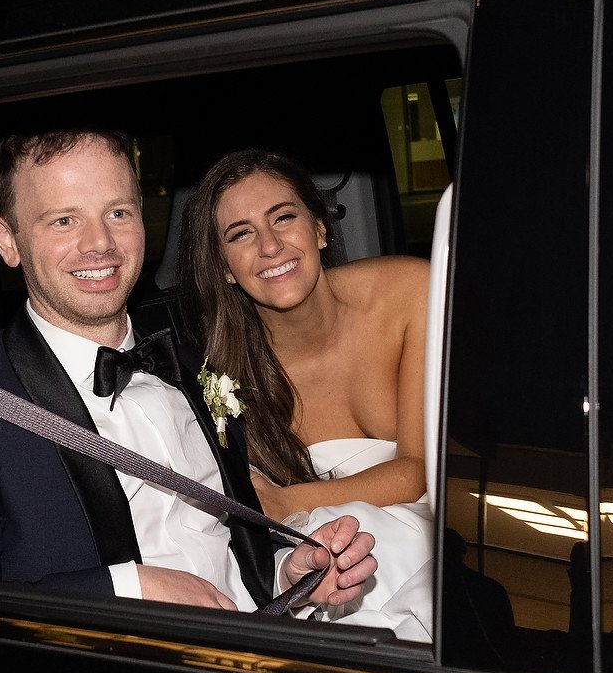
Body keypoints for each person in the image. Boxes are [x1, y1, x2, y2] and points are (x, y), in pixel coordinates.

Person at [0, 127, 377, 617]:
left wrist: (289, 573)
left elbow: (223, 545)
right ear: (7, 241)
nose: (100, 243)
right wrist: (124, 588)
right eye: (63, 221)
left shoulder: (188, 367)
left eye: (117, 213)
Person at [176, 147, 434, 641]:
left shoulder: (408, 292)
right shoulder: (222, 376)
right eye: (241, 234)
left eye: (283, 218)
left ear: (319, 228)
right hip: (326, 562)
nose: (270, 246)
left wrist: (289, 501)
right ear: (226, 267)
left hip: (434, 526)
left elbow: (417, 472)